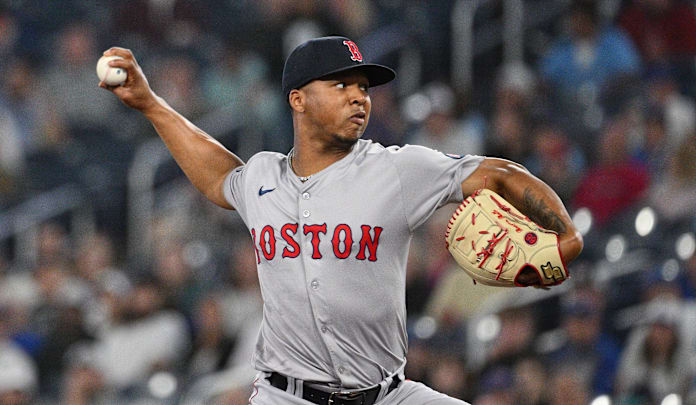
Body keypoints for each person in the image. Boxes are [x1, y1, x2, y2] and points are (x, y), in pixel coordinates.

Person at [100, 36, 583, 405]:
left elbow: (499, 173)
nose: (360, 98)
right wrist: (150, 104)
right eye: (341, 85)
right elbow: (218, 176)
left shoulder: (397, 169)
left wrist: (565, 233)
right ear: (298, 100)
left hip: (386, 394)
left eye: (363, 88)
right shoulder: (263, 177)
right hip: (284, 396)